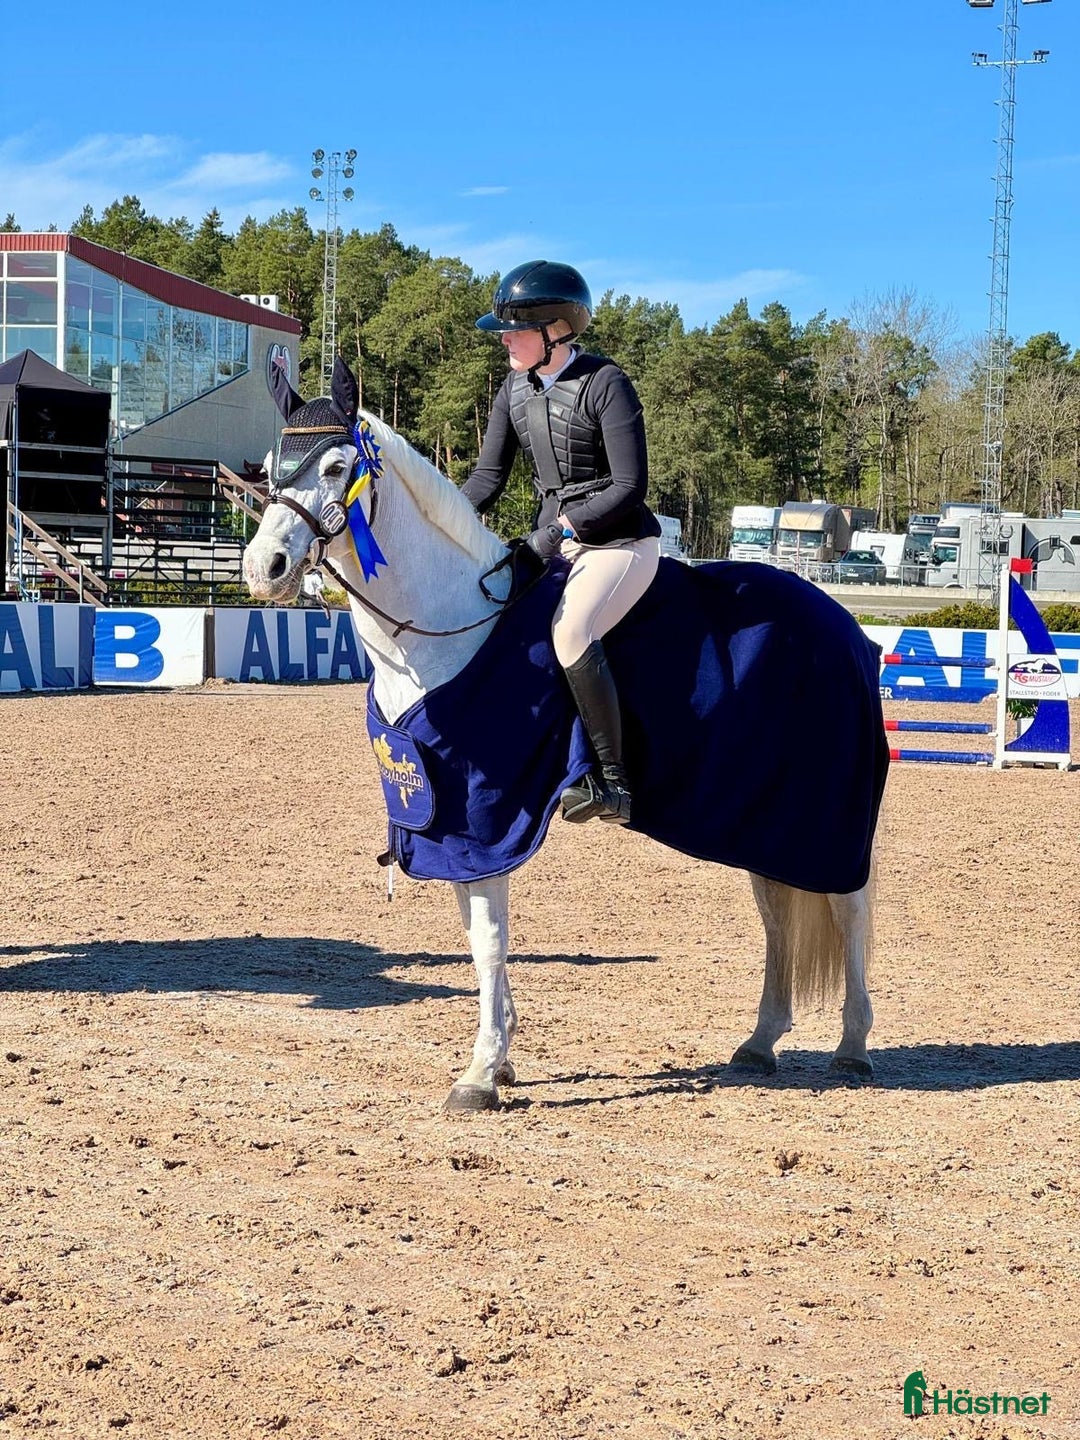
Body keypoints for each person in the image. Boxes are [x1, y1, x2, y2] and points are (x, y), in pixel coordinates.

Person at [462, 260, 662, 825]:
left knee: (571, 630)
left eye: (515, 330)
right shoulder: (512, 389)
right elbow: (486, 479)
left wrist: (561, 530)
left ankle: (614, 783)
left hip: (617, 542)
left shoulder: (606, 383)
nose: (504, 338)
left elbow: (629, 486)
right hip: (555, 538)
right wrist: (444, 514)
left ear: (557, 330)